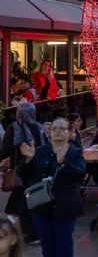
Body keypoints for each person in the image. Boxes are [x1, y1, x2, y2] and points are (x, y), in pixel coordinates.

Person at [19, 118, 86, 257]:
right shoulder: (39, 151)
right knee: (47, 246)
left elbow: (80, 175)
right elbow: (23, 175)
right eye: (54, 128)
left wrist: (63, 162)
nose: (57, 131)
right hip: (41, 206)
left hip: (64, 207)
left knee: (64, 245)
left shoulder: (75, 152)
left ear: (69, 132)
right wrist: (28, 160)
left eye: (62, 128)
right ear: (49, 132)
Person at [0, 102, 48, 245]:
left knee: (23, 202)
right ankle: (20, 231)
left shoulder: (14, 127)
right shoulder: (39, 127)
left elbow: (7, 149)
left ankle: (29, 234)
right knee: (21, 200)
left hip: (21, 170)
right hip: (37, 170)